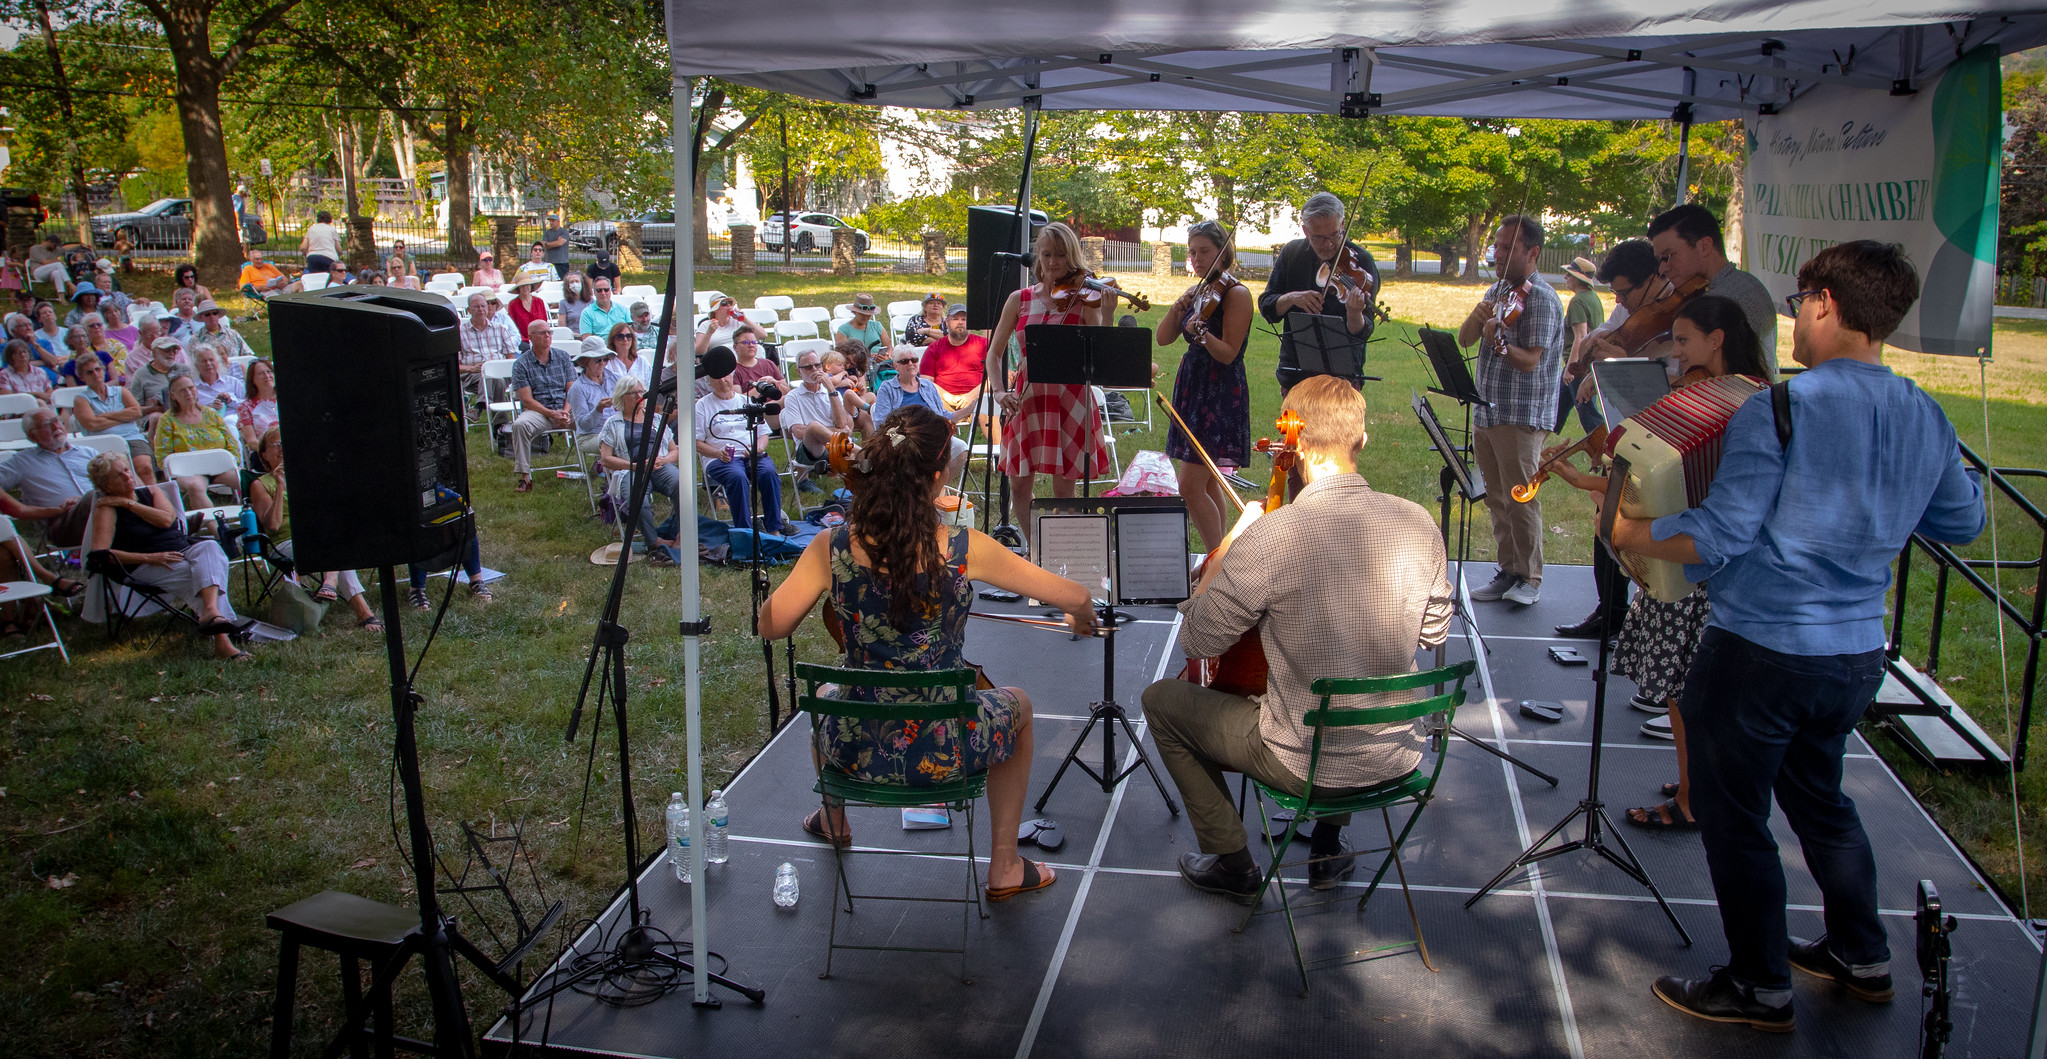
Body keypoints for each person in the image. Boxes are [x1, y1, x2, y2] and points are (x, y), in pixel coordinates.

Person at [1609, 241, 1984, 1031]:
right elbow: (1962, 519)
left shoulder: (1778, 407)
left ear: (1820, 303)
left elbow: (1723, 532)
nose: (1791, 324)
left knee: (1732, 812)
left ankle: (1758, 982)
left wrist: (1637, 531)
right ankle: (1861, 951)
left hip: (1759, 648)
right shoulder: (1923, 408)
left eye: (1795, 308)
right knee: (1820, 800)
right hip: (1851, 653)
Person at [759, 405, 1094, 900]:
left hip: (857, 743)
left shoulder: (829, 548)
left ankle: (834, 820)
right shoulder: (963, 548)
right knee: (1017, 704)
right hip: (945, 746)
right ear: (935, 478)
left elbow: (772, 626)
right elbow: (1077, 596)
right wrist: (1082, 617)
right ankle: (1003, 864)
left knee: (830, 693)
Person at [1141, 376, 1454, 898]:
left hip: (1304, 762)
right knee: (1355, 670)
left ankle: (1235, 866)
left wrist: (1230, 548)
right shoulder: (1418, 522)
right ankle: (1328, 850)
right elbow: (1434, 631)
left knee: (1161, 701)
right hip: (1396, 753)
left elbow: (1198, 638)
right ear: (1362, 441)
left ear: (1296, 443)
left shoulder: (1274, 536)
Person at [1544, 294, 1773, 833]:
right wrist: (1594, 477)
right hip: (1697, 559)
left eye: (1684, 341)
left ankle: (1694, 800)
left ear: (1717, 341)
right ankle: (1696, 779)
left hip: (1695, 568)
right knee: (1687, 696)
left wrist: (1607, 493)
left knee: (1684, 695)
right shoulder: (1748, 396)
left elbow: (1669, 497)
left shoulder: (1737, 403)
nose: (1675, 353)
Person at [1553, 239, 1661, 643]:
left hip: (1659, 440)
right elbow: (1606, 332)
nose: (1619, 299)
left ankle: (1644, 627)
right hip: (1629, 431)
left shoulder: (1674, 313)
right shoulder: (1632, 309)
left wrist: (1611, 357)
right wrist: (1590, 368)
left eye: (1625, 291)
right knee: (1605, 525)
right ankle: (1611, 612)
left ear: (1653, 279)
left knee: (1639, 535)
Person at [1455, 214, 1564, 607]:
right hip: (1488, 411)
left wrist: (1498, 340)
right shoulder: (1497, 290)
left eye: (1507, 247)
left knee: (1521, 498)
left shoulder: (1543, 300)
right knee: (1497, 498)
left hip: (1521, 414)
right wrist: (1478, 318)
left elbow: (1530, 360)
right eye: (1496, 246)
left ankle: (1530, 577)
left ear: (1532, 253)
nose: (1497, 254)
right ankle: (1509, 569)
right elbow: (1466, 340)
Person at [986, 221, 1114, 543]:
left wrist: (1108, 314)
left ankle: (1061, 555)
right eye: (1047, 255)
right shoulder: (1020, 299)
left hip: (1069, 397)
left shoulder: (1085, 297)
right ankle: (1035, 550)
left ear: (1071, 256)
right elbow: (994, 353)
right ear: (1037, 258)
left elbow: (1099, 353)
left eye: (1060, 255)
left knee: (1063, 488)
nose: (1054, 263)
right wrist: (1000, 391)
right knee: (1018, 484)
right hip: (1027, 398)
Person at [85, 451, 248, 660]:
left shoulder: (150, 493)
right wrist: (150, 558)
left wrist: (128, 503)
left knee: (210, 547)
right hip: (145, 564)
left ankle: (210, 612)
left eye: (126, 470)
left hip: (181, 549)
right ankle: (223, 641)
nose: (127, 476)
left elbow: (166, 520)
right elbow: (101, 554)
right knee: (197, 576)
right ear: (105, 486)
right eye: (119, 475)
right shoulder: (106, 508)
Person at [1156, 218, 1253, 551]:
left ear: (1223, 252)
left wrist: (1203, 332)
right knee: (1208, 483)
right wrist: (1178, 309)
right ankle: (1222, 553)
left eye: (1204, 252)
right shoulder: (1199, 291)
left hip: (1219, 393)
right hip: (1193, 387)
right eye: (1192, 252)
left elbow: (1228, 354)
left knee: (1190, 487)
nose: (1196, 259)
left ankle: (1218, 560)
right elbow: (1163, 338)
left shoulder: (1236, 294)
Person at [243, 426, 382, 631]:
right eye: (276, 444)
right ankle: (354, 603)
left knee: (333, 536)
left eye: (286, 442)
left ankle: (334, 583)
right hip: (285, 542)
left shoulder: (306, 477)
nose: (282, 447)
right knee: (335, 543)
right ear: (263, 453)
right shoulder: (261, 485)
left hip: (323, 537)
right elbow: (272, 526)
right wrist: (280, 485)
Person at [1257, 192, 1379, 394]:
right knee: (1294, 427)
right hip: (1295, 373)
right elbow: (1267, 306)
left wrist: (1354, 313)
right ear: (1305, 231)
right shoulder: (1292, 254)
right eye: (1319, 238)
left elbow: (1363, 331)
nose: (1328, 244)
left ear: (1342, 226)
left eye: (1334, 235)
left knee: (1338, 427)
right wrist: (1292, 298)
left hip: (1342, 379)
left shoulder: (1362, 262)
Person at [1644, 202, 1780, 373]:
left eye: (1668, 256)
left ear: (1704, 247)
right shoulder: (1748, 282)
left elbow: (1701, 379)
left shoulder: (1722, 299)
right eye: (1660, 259)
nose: (1662, 268)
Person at [693, 346, 790, 532]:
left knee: (769, 473)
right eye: (717, 379)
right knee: (737, 478)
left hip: (750, 453)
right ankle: (744, 531)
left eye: (727, 376)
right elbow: (696, 443)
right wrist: (717, 453)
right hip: (720, 458)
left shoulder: (745, 401)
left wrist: (758, 449)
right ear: (710, 381)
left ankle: (774, 529)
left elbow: (762, 433)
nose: (723, 381)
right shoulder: (703, 406)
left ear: (732, 376)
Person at [598, 374, 683, 564]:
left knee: (682, 485)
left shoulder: (655, 419)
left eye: (641, 392)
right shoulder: (613, 423)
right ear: (621, 398)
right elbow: (605, 458)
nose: (639, 397)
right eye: (633, 393)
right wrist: (635, 465)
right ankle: (654, 541)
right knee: (636, 497)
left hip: (659, 466)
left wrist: (663, 459)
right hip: (631, 469)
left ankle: (681, 536)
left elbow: (674, 451)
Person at [0, 408, 99, 546]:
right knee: (93, 497)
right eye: (47, 424)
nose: (56, 426)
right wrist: (20, 510)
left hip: (105, 510)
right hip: (64, 524)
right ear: (32, 436)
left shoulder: (88, 452)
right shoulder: (21, 462)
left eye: (57, 420)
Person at [870, 347, 970, 477]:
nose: (911, 363)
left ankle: (935, 488)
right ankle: (922, 489)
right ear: (896, 366)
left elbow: (942, 416)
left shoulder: (928, 386)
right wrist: (902, 436)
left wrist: (968, 410)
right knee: (916, 454)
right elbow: (881, 422)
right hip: (904, 438)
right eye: (905, 361)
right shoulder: (887, 388)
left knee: (962, 449)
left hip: (932, 437)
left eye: (914, 360)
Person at [152, 374, 240, 510]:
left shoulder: (211, 414)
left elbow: (231, 442)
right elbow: (163, 456)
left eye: (191, 388)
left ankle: (258, 523)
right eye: (182, 390)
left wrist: (231, 462)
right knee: (195, 487)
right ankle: (219, 529)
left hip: (220, 468)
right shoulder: (167, 420)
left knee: (247, 480)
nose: (188, 393)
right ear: (173, 395)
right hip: (188, 472)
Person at [509, 321, 576, 492]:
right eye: (542, 333)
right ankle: (525, 476)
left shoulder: (563, 357)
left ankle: (602, 466)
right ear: (530, 337)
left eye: (549, 332)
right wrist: (552, 414)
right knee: (520, 425)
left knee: (596, 416)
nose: (547, 336)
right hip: (539, 411)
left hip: (565, 408)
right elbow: (527, 400)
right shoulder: (521, 364)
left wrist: (564, 412)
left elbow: (572, 390)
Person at [776, 343, 853, 492]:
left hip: (831, 448)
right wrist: (836, 431)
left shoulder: (830, 393)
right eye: (808, 367)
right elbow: (798, 431)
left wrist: (831, 389)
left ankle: (849, 453)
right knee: (813, 426)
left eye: (817, 365)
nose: (815, 370)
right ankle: (853, 451)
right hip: (809, 450)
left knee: (819, 426)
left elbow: (842, 422)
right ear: (799, 371)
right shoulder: (793, 397)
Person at [72, 353, 154, 476]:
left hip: (131, 438)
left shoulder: (121, 391)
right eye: (89, 372)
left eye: (97, 369)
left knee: (145, 468)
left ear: (103, 370)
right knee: (123, 473)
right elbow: (92, 424)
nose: (95, 374)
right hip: (102, 443)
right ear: (82, 377)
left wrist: (105, 416)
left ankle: (151, 494)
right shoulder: (81, 399)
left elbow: (136, 413)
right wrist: (125, 418)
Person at [1557, 255, 1606, 433]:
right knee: (1556, 411)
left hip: (1578, 365)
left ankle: (1605, 445)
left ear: (1578, 279)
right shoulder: (1592, 297)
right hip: (1586, 363)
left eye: (1569, 275)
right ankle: (1537, 449)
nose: (1565, 278)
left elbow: (1580, 336)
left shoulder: (1578, 301)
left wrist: (1570, 368)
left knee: (1589, 415)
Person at [920, 303, 989, 418]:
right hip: (943, 402)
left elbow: (997, 378)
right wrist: (948, 397)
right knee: (930, 411)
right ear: (946, 322)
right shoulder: (934, 348)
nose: (960, 322)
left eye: (964, 319)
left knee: (988, 407)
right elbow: (925, 382)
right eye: (955, 319)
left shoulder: (984, 344)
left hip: (978, 399)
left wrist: (972, 395)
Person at [457, 292, 519, 401]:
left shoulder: (500, 328)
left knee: (493, 376)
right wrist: (472, 368)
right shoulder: (460, 333)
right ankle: (498, 417)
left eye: (483, 306)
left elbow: (510, 357)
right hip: (473, 376)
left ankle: (479, 405)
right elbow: (456, 366)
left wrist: (497, 368)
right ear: (469, 310)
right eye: (476, 306)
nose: (481, 309)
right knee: (493, 378)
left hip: (501, 373)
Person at [567, 337, 616, 457]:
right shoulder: (578, 388)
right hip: (590, 435)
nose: (603, 363)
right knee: (621, 443)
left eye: (605, 359)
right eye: (598, 360)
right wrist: (598, 409)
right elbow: (584, 425)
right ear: (585, 362)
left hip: (617, 429)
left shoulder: (615, 378)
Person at [130, 335, 194, 419]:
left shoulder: (183, 370)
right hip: (155, 418)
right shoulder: (141, 374)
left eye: (174, 351)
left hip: (184, 413)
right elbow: (134, 409)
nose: (171, 354)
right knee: (157, 417)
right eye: (167, 350)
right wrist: (152, 409)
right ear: (154, 353)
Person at [235, 359, 280, 457]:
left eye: (269, 371)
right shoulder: (245, 408)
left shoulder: (288, 401)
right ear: (253, 380)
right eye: (261, 373)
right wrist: (276, 450)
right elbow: (252, 442)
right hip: (264, 454)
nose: (267, 376)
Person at [694, 295, 768, 355]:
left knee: (759, 349)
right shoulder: (705, 325)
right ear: (715, 309)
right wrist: (709, 333)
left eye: (730, 302)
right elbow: (699, 352)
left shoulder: (739, 321)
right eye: (724, 304)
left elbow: (762, 335)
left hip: (742, 357)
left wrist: (745, 319)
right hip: (720, 359)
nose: (729, 305)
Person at [188, 300, 256, 364]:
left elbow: (248, 355)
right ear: (201, 317)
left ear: (218, 315)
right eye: (207, 314)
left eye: (214, 313)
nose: (212, 317)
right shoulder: (195, 339)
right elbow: (193, 362)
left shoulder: (232, 334)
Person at [833, 293, 889, 358]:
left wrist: (886, 357)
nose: (865, 317)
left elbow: (889, 348)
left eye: (868, 315)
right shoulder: (844, 330)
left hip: (880, 364)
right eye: (862, 314)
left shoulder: (877, 326)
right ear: (854, 312)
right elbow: (842, 355)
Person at [191, 346, 243, 411]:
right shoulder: (193, 389)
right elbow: (191, 413)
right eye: (203, 361)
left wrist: (230, 401)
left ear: (217, 362)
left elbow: (247, 405)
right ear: (196, 365)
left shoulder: (233, 382)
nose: (208, 363)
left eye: (211, 360)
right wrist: (208, 409)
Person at [506, 269, 551, 343]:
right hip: (522, 340)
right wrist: (526, 340)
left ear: (531, 286)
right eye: (522, 286)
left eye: (527, 285)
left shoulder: (539, 302)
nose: (525, 287)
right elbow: (512, 327)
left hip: (541, 339)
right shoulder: (513, 304)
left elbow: (544, 323)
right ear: (518, 288)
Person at [603, 322, 651, 390]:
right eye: (620, 336)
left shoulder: (642, 361)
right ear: (612, 340)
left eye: (628, 336)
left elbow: (649, 386)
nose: (625, 339)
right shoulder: (607, 363)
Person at [540, 213, 572, 278]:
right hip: (549, 262)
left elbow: (560, 243)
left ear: (558, 221)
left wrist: (548, 244)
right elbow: (543, 244)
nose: (551, 223)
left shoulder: (564, 231)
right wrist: (554, 243)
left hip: (561, 262)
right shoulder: (547, 233)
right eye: (550, 221)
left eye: (553, 221)